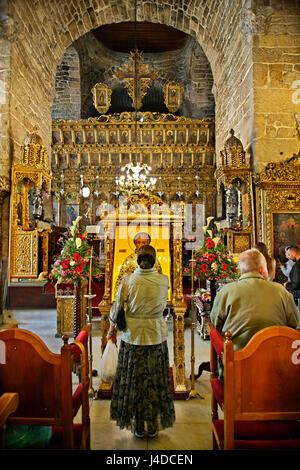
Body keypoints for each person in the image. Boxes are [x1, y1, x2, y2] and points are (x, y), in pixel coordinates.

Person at [107, 245, 175, 438]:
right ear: (155, 261)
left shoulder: (128, 280)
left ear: (138, 260)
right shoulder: (164, 280)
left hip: (133, 335)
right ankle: (152, 423)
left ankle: (137, 423)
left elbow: (117, 308)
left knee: (134, 379)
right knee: (154, 378)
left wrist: (111, 329)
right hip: (156, 334)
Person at [210, 248, 299, 379]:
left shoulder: (226, 292)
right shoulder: (282, 292)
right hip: (276, 370)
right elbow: (294, 327)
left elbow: (215, 326)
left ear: (240, 271)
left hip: (237, 370)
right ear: (263, 270)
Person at [113, 232, 162, 297]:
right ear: (135, 244)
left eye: (144, 242)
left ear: (148, 243)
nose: (141, 245)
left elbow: (159, 278)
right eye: (139, 242)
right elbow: (121, 279)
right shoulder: (130, 260)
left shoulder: (154, 260)